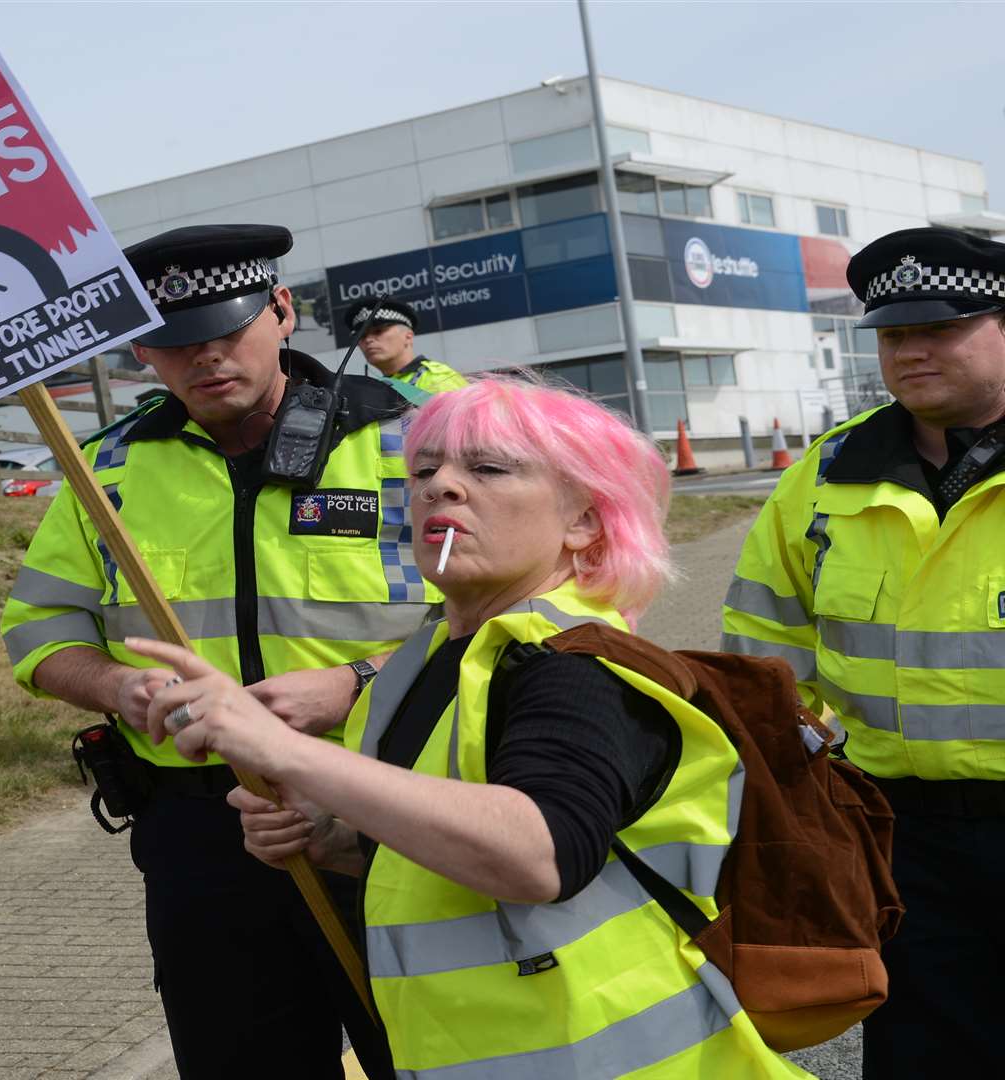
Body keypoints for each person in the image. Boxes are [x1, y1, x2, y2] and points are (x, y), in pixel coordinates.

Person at [128, 376, 809, 1078]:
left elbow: (539, 854)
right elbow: (452, 850)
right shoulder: (427, 659)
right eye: (425, 470)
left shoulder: (578, 664)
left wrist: (286, 752)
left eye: (487, 469)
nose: (438, 488)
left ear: (583, 522)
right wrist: (332, 836)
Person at [0, 224, 434, 1079]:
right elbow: (40, 631)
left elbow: (508, 620)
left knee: (427, 1057)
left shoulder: (409, 446)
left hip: (387, 813)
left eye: (225, 332)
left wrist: (354, 685)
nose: (203, 359)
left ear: (281, 311)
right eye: (172, 345)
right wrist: (115, 685)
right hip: (202, 830)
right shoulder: (106, 469)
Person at [720, 226, 1005, 1079]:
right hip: (891, 834)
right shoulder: (826, 477)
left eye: (939, 328)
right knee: (924, 1048)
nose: (911, 351)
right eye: (892, 334)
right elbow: (764, 660)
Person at [343, 297, 467, 394]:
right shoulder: (371, 390)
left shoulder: (438, 379)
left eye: (378, 331)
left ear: (408, 336)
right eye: (361, 336)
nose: (368, 340)